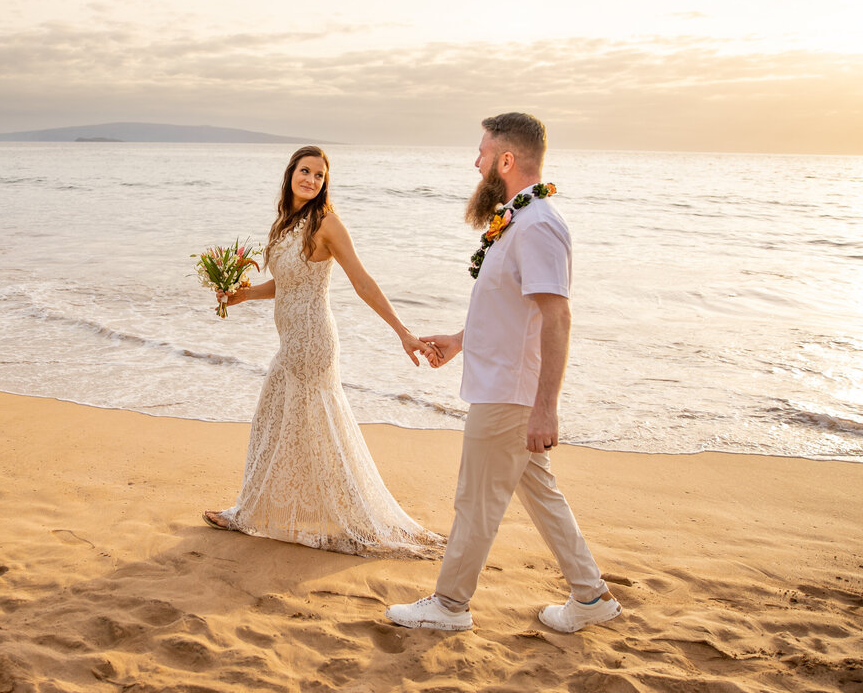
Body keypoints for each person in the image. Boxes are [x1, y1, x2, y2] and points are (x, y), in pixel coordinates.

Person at [385, 113, 622, 632]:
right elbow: (513, 313)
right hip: (505, 387)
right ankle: (591, 597)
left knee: (475, 500)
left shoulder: (538, 225)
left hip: (510, 396)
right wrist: (461, 341)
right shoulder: (517, 221)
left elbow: (556, 315)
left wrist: (545, 408)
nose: (476, 161)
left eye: (483, 152)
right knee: (540, 494)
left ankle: (449, 605)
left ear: (507, 160)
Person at [201, 145, 446, 559]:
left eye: (319, 175)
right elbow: (284, 284)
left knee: (316, 430)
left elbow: (362, 281)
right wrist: (241, 296)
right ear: (290, 174)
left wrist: (402, 331)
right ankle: (251, 510)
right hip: (289, 341)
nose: (311, 180)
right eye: (305, 171)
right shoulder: (283, 225)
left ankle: (280, 514)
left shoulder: (327, 224)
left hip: (313, 341)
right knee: (274, 422)